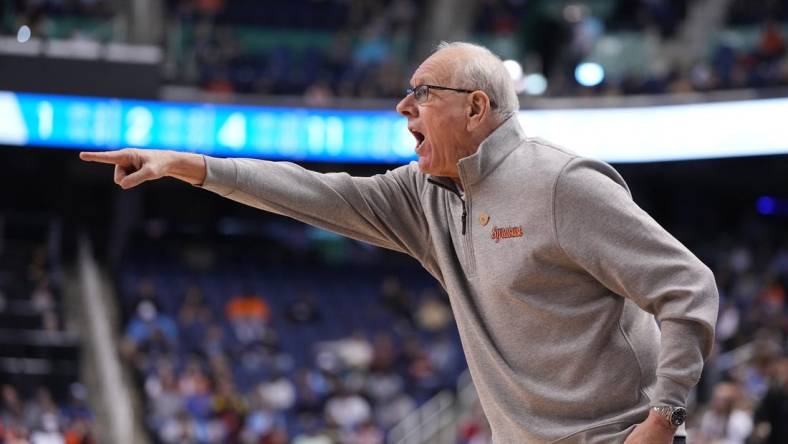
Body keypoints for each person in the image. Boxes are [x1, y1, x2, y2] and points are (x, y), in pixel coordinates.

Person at [80, 41, 719, 443]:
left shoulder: (562, 184)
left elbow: (688, 286)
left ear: (475, 108)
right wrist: (187, 165)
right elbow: (307, 190)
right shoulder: (422, 194)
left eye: (421, 93)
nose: (400, 107)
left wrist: (664, 418)